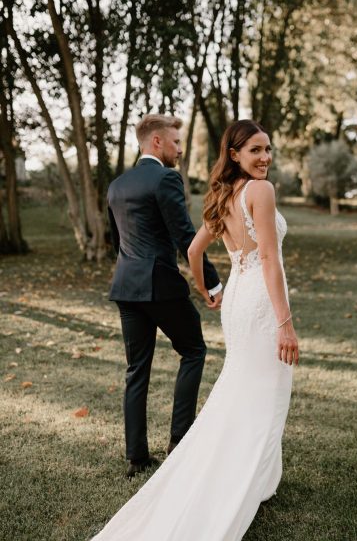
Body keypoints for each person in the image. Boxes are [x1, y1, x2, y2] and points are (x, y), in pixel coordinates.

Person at [93, 119, 299, 541]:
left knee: (239, 386)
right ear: (236, 154)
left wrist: (208, 290)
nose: (264, 157)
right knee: (265, 392)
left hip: (232, 300)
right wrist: (285, 322)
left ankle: (251, 472)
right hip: (259, 301)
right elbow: (269, 261)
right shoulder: (260, 190)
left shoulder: (223, 195)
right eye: (255, 150)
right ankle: (245, 479)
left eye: (267, 149)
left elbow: (193, 249)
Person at [107, 114, 222, 477]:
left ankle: (136, 458)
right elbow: (186, 237)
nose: (180, 149)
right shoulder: (166, 179)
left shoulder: (117, 186)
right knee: (194, 350)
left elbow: (117, 243)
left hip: (126, 286)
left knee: (136, 370)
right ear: (156, 142)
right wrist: (213, 283)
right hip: (160, 285)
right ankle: (179, 441)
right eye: (175, 142)